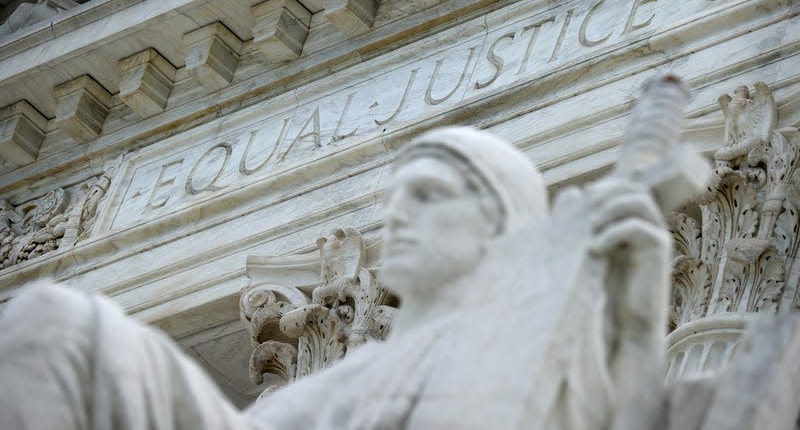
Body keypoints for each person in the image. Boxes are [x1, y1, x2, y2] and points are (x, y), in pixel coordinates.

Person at [0, 126, 672, 429]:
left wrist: (638, 330)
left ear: (502, 227)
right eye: (396, 198)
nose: (398, 216)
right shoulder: (348, 375)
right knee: (54, 322)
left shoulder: (536, 352)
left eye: (431, 195)